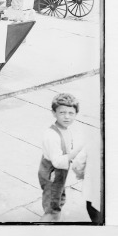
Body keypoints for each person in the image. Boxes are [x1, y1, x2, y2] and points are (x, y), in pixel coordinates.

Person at [38, 93, 84, 222]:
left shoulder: (65, 129)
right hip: (52, 174)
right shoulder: (51, 135)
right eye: (62, 112)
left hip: (59, 175)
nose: (67, 117)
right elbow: (58, 162)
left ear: (76, 114)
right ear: (54, 113)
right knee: (52, 209)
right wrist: (76, 152)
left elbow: (67, 151)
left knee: (59, 198)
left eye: (71, 113)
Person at [72, 132, 103, 224]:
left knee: (95, 215)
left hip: (94, 193)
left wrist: (82, 175)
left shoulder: (94, 142)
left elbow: (77, 165)